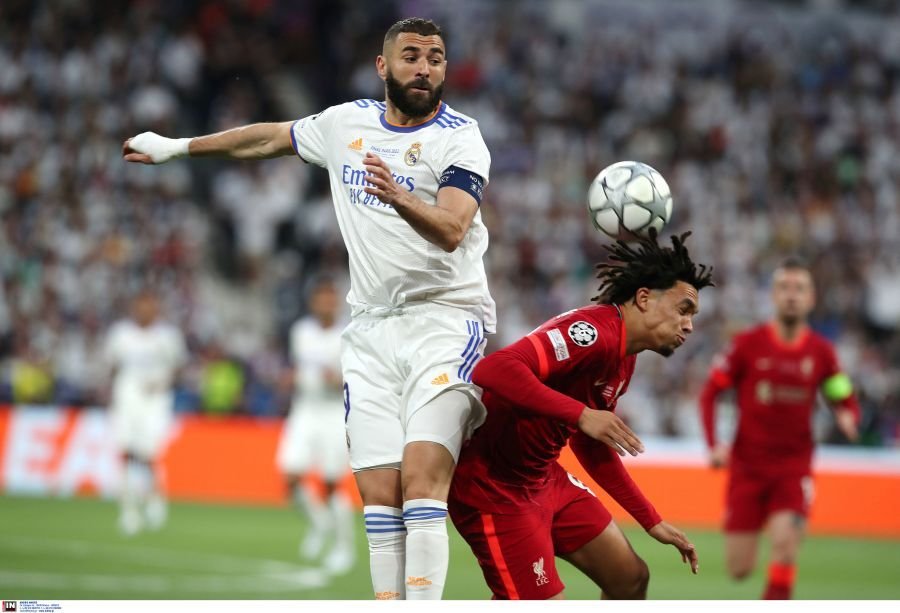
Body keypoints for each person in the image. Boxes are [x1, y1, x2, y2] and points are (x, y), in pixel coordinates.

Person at [123, 17, 493, 599]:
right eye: (412, 56)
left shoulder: (461, 137)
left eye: (436, 58)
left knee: (422, 482)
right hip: (370, 330)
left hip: (444, 319)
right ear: (382, 66)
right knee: (379, 498)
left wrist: (398, 196)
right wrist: (179, 148)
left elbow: (452, 229)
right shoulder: (346, 124)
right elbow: (267, 138)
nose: (424, 68)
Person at [448, 230, 712, 599]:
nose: (689, 326)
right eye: (683, 310)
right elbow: (494, 369)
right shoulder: (594, 333)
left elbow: (592, 445)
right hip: (495, 488)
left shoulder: (624, 360)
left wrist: (650, 520)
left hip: (544, 479)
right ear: (644, 298)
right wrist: (582, 414)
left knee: (630, 579)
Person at [698, 258, 860, 599]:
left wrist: (848, 414)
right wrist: (713, 445)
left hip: (793, 468)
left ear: (811, 298)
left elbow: (841, 394)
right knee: (739, 568)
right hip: (747, 469)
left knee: (786, 546)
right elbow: (711, 392)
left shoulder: (821, 353)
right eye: (784, 288)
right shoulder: (747, 345)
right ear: (773, 295)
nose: (791, 295)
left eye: (799, 289)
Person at [276, 277, 355, 574]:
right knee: (290, 475)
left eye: (330, 298)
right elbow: (299, 367)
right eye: (321, 298)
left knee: (331, 483)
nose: (326, 303)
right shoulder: (301, 332)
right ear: (313, 302)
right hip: (304, 409)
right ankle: (320, 523)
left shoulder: (349, 334)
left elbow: (357, 379)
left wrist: (338, 381)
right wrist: (291, 378)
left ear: (337, 302)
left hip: (333, 411)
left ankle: (343, 547)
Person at [103, 291, 187, 536]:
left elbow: (179, 367)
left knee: (149, 454)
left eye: (149, 307)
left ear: (156, 310)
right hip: (126, 399)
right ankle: (128, 510)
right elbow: (111, 366)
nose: (144, 312)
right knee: (126, 452)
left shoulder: (168, 336)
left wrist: (163, 383)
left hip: (155, 402)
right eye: (140, 307)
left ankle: (155, 499)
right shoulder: (120, 334)